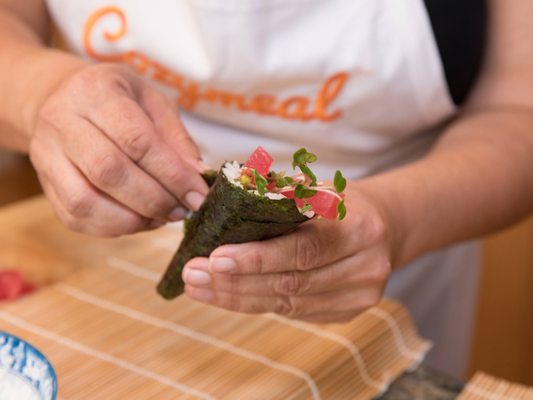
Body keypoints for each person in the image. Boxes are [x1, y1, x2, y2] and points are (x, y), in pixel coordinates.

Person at [0, 0, 531, 378]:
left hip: (393, 254)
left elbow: (519, 109)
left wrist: (398, 219)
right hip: (119, 263)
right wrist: (40, 92)